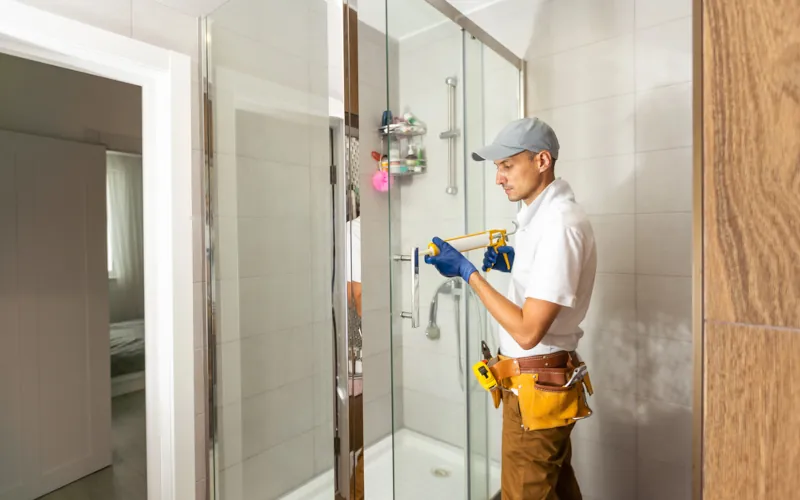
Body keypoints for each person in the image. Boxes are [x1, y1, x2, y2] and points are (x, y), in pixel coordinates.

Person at [424, 117, 597, 500]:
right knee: (558, 491)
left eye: (506, 166)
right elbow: (549, 282)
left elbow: (527, 330)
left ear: (542, 161)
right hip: (538, 387)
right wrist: (516, 262)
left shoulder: (559, 224)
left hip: (535, 390)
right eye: (497, 168)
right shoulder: (545, 219)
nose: (499, 178)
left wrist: (468, 273)